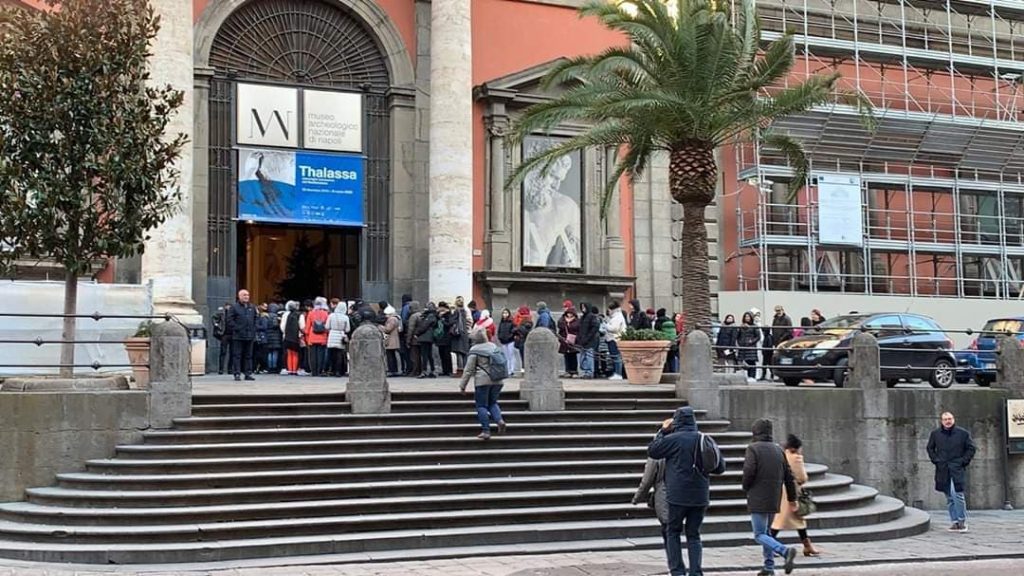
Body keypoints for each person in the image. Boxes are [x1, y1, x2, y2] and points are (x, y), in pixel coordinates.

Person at [647, 407, 725, 576]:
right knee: (694, 535)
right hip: (700, 496)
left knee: (673, 532)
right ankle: (696, 572)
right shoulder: (705, 439)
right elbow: (720, 467)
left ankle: (677, 571)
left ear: (677, 422)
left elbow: (653, 450)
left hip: (677, 496)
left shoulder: (673, 439)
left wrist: (662, 431)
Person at [743, 419, 799, 576]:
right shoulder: (778, 450)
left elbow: (749, 471)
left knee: (759, 534)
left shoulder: (753, 449)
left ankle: (784, 551)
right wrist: (792, 498)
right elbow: (789, 477)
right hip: (774, 496)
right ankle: (769, 567)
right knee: (766, 533)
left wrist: (746, 487)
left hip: (758, 496)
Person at [770, 434, 821, 557]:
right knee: (788, 521)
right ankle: (770, 546)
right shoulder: (796, 458)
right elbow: (802, 477)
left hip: (780, 491)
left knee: (786, 520)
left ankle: (807, 546)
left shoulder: (781, 456)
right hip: (793, 492)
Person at [927, 411, 977, 532]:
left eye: (949, 419)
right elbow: (930, 448)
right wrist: (936, 460)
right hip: (943, 468)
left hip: (957, 468)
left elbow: (971, 448)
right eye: (945, 419)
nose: (948, 421)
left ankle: (961, 521)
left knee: (957, 494)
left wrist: (963, 461)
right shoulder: (935, 434)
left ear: (953, 420)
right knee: (949, 496)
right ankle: (954, 521)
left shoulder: (963, 433)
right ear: (942, 421)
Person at [459, 329, 508, 440]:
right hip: (498, 380)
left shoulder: (475, 350)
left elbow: (468, 370)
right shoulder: (494, 347)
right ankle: (499, 420)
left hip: (482, 381)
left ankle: (486, 431)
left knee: (481, 406)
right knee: (493, 403)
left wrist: (462, 386)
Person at [227, 289, 257, 381]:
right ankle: (237, 373)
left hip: (249, 335)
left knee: (248, 356)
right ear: (239, 296)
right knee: (237, 355)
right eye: (244, 295)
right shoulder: (234, 307)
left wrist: (253, 329)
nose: (246, 297)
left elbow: (255, 319)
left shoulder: (252, 307)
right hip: (238, 336)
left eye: (247, 295)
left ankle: (248, 373)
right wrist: (237, 328)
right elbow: (229, 320)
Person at [304, 297, 330, 377]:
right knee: (321, 355)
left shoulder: (311, 313)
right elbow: (327, 327)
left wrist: (306, 335)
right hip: (322, 337)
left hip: (312, 337)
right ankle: (319, 371)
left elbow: (307, 328)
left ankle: (314, 371)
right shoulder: (326, 313)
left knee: (312, 356)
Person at [576, 302, 601, 379]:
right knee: (583, 358)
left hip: (590, 341)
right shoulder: (583, 317)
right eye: (582, 307)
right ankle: (585, 372)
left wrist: (587, 337)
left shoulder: (591, 316)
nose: (583, 309)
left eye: (584, 307)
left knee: (589, 357)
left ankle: (589, 372)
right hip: (583, 340)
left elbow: (595, 327)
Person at [326, 301, 351, 377]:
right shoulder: (345, 317)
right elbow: (347, 329)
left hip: (332, 336)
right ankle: (338, 371)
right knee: (339, 355)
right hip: (341, 336)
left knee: (332, 354)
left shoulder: (331, 315)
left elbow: (327, 326)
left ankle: (332, 370)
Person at [415, 302, 439, 378]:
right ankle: (432, 370)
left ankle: (425, 371)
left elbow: (424, 326)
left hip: (425, 337)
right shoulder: (433, 315)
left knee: (425, 355)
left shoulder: (430, 316)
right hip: (429, 337)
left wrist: (417, 333)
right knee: (429, 354)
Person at [604, 301, 626, 380]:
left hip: (615, 339)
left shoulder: (617, 317)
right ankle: (616, 373)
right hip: (613, 338)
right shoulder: (616, 316)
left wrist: (606, 325)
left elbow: (614, 328)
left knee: (616, 357)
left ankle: (618, 374)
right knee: (614, 357)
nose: (608, 311)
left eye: (609, 309)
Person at [737, 311, 761, 381]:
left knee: (751, 361)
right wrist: (740, 342)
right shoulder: (741, 326)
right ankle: (745, 376)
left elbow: (758, 336)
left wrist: (752, 341)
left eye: (748, 316)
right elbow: (738, 336)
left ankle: (752, 376)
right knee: (743, 362)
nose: (747, 318)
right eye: (746, 317)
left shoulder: (754, 326)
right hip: (742, 346)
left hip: (751, 347)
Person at [280, 300, 303, 375]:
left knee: (289, 353)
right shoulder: (300, 315)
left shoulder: (285, 314)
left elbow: (282, 326)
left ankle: (290, 369)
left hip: (287, 336)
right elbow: (302, 326)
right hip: (296, 336)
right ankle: (295, 370)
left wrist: (285, 332)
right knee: (296, 353)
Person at [558, 307, 580, 377]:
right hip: (565, 340)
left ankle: (574, 371)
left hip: (573, 340)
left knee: (573, 356)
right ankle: (567, 371)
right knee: (566, 356)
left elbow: (578, 329)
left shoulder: (577, 321)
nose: (569, 314)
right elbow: (560, 328)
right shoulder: (562, 320)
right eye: (568, 313)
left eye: (571, 313)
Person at [452, 296, 472, 375]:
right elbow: (469, 321)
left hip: (458, 333)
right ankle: (466, 370)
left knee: (459, 352)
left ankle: (460, 370)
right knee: (465, 352)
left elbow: (452, 321)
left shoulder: (456, 311)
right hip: (465, 333)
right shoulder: (465, 311)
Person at [655, 308, 679, 373]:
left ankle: (666, 372)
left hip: (664, 343)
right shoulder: (670, 321)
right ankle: (673, 372)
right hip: (673, 343)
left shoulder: (658, 322)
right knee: (672, 358)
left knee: (665, 358)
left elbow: (657, 332)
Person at [212, 302, 233, 374]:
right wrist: (216, 325)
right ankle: (221, 369)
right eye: (227, 306)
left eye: (229, 306)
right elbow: (214, 317)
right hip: (224, 334)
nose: (228, 307)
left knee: (232, 352)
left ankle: (230, 369)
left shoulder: (233, 314)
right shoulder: (222, 312)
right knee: (223, 352)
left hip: (233, 334)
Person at [436, 302, 455, 377]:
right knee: (442, 355)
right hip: (440, 338)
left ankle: (449, 370)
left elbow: (449, 324)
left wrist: (442, 319)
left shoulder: (449, 315)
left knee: (447, 355)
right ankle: (444, 370)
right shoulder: (438, 315)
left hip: (447, 338)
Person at [405, 300, 423, 377]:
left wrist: (408, 340)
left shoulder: (413, 316)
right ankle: (420, 370)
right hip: (421, 338)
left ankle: (415, 371)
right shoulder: (422, 314)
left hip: (414, 340)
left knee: (414, 356)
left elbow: (410, 329)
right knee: (420, 356)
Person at [513, 309, 533, 375]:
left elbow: (516, 331)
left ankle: (524, 369)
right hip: (524, 342)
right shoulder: (529, 324)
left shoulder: (523, 325)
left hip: (523, 342)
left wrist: (518, 330)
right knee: (525, 357)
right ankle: (525, 369)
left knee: (523, 357)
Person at [497, 308, 516, 376]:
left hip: (510, 341)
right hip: (503, 341)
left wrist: (510, 336)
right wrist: (500, 337)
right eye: (503, 313)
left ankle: (512, 369)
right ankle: (508, 369)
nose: (505, 314)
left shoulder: (511, 322)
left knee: (511, 355)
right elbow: (499, 331)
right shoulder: (501, 322)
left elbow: (514, 330)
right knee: (506, 356)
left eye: (506, 313)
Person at [383, 305, 401, 377]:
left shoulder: (392, 319)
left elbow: (388, 329)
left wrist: (381, 327)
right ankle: (394, 370)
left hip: (391, 340)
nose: (386, 316)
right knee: (392, 356)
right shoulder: (396, 318)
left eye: (386, 314)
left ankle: (392, 370)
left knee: (390, 356)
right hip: (393, 339)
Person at [265, 303, 283, 374]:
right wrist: (279, 323)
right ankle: (274, 367)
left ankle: (269, 367)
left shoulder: (266, 316)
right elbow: (275, 325)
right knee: (275, 352)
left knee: (270, 352)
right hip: (276, 336)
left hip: (268, 336)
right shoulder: (275, 316)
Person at [399, 294, 413, 375]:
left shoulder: (405, 307)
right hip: (410, 332)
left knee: (406, 352)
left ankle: (408, 368)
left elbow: (403, 320)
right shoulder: (412, 306)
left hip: (405, 332)